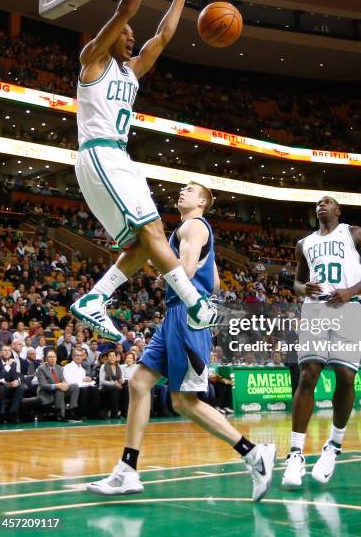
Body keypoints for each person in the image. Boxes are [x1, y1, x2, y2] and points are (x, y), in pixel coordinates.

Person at [88, 183, 276, 502]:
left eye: (190, 190)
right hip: (176, 315)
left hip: (187, 316)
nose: (182, 193)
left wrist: (158, 266)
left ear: (203, 201)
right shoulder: (196, 231)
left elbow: (186, 270)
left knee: (184, 402)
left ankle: (254, 454)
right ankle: (127, 469)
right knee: (138, 384)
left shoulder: (192, 225)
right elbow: (213, 280)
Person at [70, 0, 217, 342]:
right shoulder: (93, 62)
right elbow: (124, 12)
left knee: (141, 243)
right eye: (127, 35)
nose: (132, 39)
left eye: (134, 37)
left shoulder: (131, 72)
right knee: (153, 230)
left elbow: (163, 37)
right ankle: (195, 305)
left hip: (118, 158)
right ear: (110, 37)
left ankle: (95, 299)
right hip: (100, 154)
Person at [282, 196, 361, 489]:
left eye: (328, 202)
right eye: (318, 202)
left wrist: (350, 291)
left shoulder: (355, 234)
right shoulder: (304, 243)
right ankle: (296, 454)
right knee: (307, 375)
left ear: (338, 210)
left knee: (345, 376)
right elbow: (297, 284)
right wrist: (305, 287)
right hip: (315, 308)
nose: (321, 204)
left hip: (348, 308)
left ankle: (333, 447)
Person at [36, 349, 79, 421]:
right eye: (50, 357)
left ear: (56, 358)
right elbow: (43, 386)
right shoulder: (41, 369)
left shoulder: (59, 368)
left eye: (54, 357)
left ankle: (72, 410)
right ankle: (60, 414)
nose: (52, 359)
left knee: (75, 386)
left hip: (59, 391)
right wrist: (57, 386)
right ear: (46, 359)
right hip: (46, 393)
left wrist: (65, 385)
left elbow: (63, 381)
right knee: (59, 389)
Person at [63, 348, 100, 419]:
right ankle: (81, 414)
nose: (79, 357)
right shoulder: (67, 367)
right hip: (72, 389)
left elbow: (83, 382)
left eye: (80, 355)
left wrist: (89, 381)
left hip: (81, 387)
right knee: (84, 389)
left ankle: (94, 414)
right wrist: (83, 380)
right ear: (73, 357)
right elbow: (69, 382)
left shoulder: (82, 370)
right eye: (77, 355)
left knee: (94, 388)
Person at [0, 345, 25, 423]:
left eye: (9, 350)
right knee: (1, 388)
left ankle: (13, 413)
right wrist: (8, 365)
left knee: (21, 387)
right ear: (0, 353)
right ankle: (1, 415)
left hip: (9, 386)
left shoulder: (13, 363)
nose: (7, 352)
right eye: (5, 350)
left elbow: (15, 376)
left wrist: (16, 381)